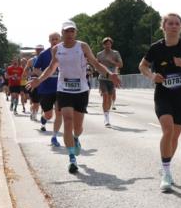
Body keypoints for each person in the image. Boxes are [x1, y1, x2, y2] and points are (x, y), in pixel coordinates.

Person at [27, 21, 119, 174]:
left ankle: (76, 138)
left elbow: (95, 63)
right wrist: (39, 80)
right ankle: (71, 158)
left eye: (72, 31)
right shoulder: (57, 49)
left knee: (78, 127)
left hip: (81, 90)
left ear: (75, 33)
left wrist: (109, 74)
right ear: (62, 33)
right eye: (66, 31)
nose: (69, 34)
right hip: (63, 90)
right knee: (67, 120)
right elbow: (51, 68)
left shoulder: (82, 47)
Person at [139, 13, 181, 192]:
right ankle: (166, 173)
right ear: (164, 27)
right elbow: (142, 65)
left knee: (175, 136)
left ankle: (165, 165)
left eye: (177, 24)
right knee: (168, 130)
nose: (174, 26)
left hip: (180, 96)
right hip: (163, 95)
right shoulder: (156, 48)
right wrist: (152, 76)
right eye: (170, 23)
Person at [33, 33, 64, 142]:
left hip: (60, 88)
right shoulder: (44, 54)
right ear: (49, 40)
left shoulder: (64, 52)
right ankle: (44, 118)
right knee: (49, 115)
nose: (54, 41)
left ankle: (54, 136)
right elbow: (35, 69)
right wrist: (44, 75)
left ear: (60, 40)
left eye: (56, 39)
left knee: (59, 112)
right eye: (52, 39)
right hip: (45, 88)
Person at [96, 37, 123, 127]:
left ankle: (107, 113)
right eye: (106, 44)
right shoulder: (99, 54)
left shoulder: (115, 53)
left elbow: (121, 65)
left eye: (109, 44)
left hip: (112, 78)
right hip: (102, 78)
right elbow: (96, 65)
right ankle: (106, 118)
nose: (107, 45)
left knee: (110, 98)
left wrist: (112, 61)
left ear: (111, 44)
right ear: (103, 45)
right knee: (105, 96)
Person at [26, 45, 44, 121]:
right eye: (38, 49)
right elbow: (26, 71)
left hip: (43, 82)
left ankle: (34, 112)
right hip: (34, 83)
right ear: (35, 50)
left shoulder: (46, 59)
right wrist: (30, 75)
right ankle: (34, 114)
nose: (39, 51)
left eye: (41, 49)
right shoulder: (31, 60)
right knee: (35, 102)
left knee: (39, 102)